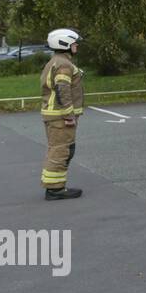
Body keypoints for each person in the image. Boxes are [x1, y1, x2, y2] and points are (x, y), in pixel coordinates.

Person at [39, 28, 84, 200]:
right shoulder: (64, 64)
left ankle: (55, 186)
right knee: (61, 151)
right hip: (60, 116)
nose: (76, 45)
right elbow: (62, 89)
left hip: (54, 115)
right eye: (74, 43)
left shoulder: (57, 61)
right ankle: (55, 189)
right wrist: (68, 114)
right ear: (64, 43)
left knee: (59, 149)